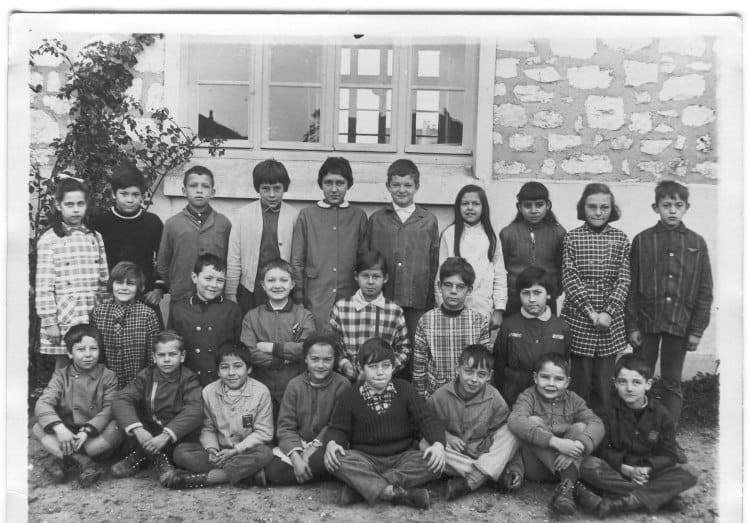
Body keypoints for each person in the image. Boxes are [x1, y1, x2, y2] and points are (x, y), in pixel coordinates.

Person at [626, 181, 713, 452]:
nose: (672, 211)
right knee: (640, 378)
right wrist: (632, 325)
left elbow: (705, 289)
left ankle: (667, 438)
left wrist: (697, 330)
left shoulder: (696, 243)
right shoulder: (643, 240)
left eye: (678, 205)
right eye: (666, 205)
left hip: (680, 323)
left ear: (687, 208)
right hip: (647, 322)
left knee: (672, 382)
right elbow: (631, 286)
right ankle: (638, 433)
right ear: (656, 208)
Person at [324, 338, 446, 509]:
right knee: (336, 459)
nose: (380, 372)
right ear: (361, 368)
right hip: (365, 458)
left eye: (385, 366)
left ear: (393, 367)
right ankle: (393, 493)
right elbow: (338, 428)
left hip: (403, 456)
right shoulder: (349, 396)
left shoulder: (405, 389)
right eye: (373, 367)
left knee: (435, 462)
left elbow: (426, 419)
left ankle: (361, 489)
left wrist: (438, 444)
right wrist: (332, 443)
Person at [578, 355, 698, 517]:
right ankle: (660, 496)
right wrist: (627, 470)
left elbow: (670, 454)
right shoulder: (605, 411)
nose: (629, 388)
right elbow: (600, 450)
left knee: (689, 471)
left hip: (647, 474)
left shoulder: (662, 415)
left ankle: (623, 502)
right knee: (587, 464)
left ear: (648, 384)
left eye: (636, 382)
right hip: (617, 471)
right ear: (615, 383)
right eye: (623, 382)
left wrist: (647, 469)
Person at [365, 159, 440, 378]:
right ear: (388, 186)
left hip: (418, 300)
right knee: (384, 349)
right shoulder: (377, 220)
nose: (402, 190)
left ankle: (411, 394)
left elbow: (434, 261)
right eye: (396, 185)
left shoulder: (428, 220)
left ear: (417, 187)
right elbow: (368, 258)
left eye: (408, 185)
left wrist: (431, 300)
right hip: (384, 300)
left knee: (415, 351)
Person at [560, 183, 630, 414]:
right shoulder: (572, 238)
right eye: (592, 207)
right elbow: (570, 278)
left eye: (604, 207)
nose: (598, 213)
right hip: (580, 319)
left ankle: (602, 428)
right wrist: (591, 312)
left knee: (603, 384)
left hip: (610, 322)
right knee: (580, 383)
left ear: (612, 209)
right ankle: (578, 426)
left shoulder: (620, 239)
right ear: (583, 208)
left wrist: (608, 312)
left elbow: (624, 280)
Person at [508, 352, 604, 515]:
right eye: (545, 377)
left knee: (580, 428)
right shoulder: (528, 396)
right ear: (535, 377)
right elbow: (515, 420)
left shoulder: (574, 400)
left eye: (559, 379)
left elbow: (597, 423)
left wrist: (578, 446)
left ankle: (565, 489)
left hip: (567, 462)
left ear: (567, 382)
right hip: (536, 468)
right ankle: (573, 485)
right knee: (532, 422)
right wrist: (556, 442)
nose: (551, 384)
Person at [167, 343, 275, 489]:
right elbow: (208, 428)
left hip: (246, 450)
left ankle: (212, 478)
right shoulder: (209, 391)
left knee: (265, 453)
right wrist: (212, 450)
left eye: (238, 366)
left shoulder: (261, 392)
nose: (231, 373)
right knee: (181, 452)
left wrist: (235, 451)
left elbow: (264, 432)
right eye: (224, 367)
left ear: (249, 369)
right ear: (218, 371)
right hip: (221, 451)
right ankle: (246, 473)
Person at [426, 344, 520, 501]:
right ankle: (488, 474)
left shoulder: (494, 397)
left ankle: (473, 480)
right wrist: (446, 436)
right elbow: (427, 424)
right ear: (458, 369)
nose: (474, 379)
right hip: (455, 456)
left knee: (512, 429)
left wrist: (515, 467)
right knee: (425, 444)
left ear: (489, 376)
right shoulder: (440, 396)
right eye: (468, 372)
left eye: (481, 374)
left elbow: (504, 439)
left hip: (483, 452)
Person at [33, 324, 123, 487]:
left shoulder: (108, 376)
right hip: (66, 433)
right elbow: (43, 403)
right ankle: (84, 462)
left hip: (93, 435)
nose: (88, 355)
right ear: (69, 353)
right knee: (37, 427)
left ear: (99, 350)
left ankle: (64, 459)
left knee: (117, 427)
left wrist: (87, 431)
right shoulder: (61, 376)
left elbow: (109, 409)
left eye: (93, 349)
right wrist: (60, 429)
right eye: (81, 349)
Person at [110, 330, 203, 485]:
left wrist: (166, 436)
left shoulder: (188, 379)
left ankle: (153, 456)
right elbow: (121, 398)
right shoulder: (146, 375)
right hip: (150, 430)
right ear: (154, 357)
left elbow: (196, 408)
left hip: (177, 433)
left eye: (172, 354)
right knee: (125, 420)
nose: (167, 359)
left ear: (182, 356)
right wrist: (138, 429)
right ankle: (153, 454)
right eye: (161, 355)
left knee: (183, 448)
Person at [35, 177, 109, 368]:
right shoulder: (49, 240)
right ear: (59, 205)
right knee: (64, 363)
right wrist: (50, 321)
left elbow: (104, 279)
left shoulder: (95, 237)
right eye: (69, 204)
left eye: (80, 204)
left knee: (91, 360)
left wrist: (106, 309)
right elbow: (44, 286)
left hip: (92, 311)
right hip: (65, 314)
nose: (76, 210)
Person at [290, 156, 368, 330]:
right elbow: (297, 260)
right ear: (321, 184)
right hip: (315, 295)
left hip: (350, 295)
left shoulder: (358, 216)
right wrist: (299, 297)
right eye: (328, 183)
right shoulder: (307, 215)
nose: (334, 189)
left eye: (340, 183)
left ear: (349, 185)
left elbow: (365, 260)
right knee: (317, 338)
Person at [264, 334, 350, 485]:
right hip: (300, 443)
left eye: (327, 360)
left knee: (326, 460)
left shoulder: (342, 384)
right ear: (305, 359)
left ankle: (311, 471)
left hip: (326, 444)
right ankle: (312, 472)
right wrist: (296, 457)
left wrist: (310, 452)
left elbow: (335, 424)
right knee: (273, 471)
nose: (320, 365)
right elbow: (285, 426)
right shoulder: (294, 385)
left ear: (334, 360)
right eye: (315, 359)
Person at [240, 259, 316, 420]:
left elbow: (306, 349)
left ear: (292, 284)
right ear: (263, 285)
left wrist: (270, 347)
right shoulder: (252, 316)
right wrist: (279, 361)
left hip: (295, 388)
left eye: (283, 280)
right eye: (271, 280)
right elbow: (248, 351)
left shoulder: (304, 315)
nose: (277, 285)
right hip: (260, 388)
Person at [91, 162, 166, 325]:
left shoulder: (152, 222)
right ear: (114, 194)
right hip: (110, 297)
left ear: (143, 195)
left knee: (151, 337)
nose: (130, 200)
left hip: (145, 296)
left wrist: (158, 289)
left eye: (135, 194)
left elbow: (164, 257)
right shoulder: (101, 223)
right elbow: (93, 261)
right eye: (124, 194)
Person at [226, 159, 299, 315]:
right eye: (265, 189)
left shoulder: (295, 216)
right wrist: (231, 292)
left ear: (285, 188)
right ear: (257, 188)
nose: (272, 194)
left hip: (283, 289)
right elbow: (234, 257)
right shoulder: (243, 215)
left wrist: (298, 291)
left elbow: (298, 258)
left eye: (277, 188)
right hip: (251, 289)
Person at [413, 257, 490, 399]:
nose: (453, 291)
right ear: (439, 286)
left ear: (469, 290)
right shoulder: (426, 321)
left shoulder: (479, 322)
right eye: (448, 285)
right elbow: (419, 366)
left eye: (460, 287)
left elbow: (484, 365)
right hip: (435, 396)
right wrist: (420, 399)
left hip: (469, 397)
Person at [493, 266, 570, 406]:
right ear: (519, 295)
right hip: (513, 399)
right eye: (526, 293)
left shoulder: (561, 328)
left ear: (548, 294)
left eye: (537, 292)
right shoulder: (508, 326)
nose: (532, 299)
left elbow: (565, 364)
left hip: (549, 400)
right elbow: (498, 366)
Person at [330, 250, 410, 382]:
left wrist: (384, 370)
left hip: (383, 381)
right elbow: (334, 345)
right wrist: (344, 365)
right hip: (350, 380)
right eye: (365, 276)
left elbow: (404, 349)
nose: (370, 282)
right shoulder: (341, 308)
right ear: (356, 276)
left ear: (385, 278)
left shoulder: (394, 311)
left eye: (376, 277)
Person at [156, 165, 232, 303]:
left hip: (215, 298)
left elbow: (230, 262)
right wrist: (176, 285)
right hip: (181, 297)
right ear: (184, 191)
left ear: (213, 192)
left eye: (205, 186)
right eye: (193, 185)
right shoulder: (172, 224)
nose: (199, 190)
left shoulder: (223, 223)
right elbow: (163, 263)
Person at [436, 184, 507, 329]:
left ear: (483, 207)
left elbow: (499, 274)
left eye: (475, 203)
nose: (470, 208)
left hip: (482, 307)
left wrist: (499, 309)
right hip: (453, 308)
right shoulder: (449, 234)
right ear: (458, 207)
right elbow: (440, 274)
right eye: (465, 204)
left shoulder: (492, 237)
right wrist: (442, 306)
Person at [167, 253, 243, 387]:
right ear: (194, 277)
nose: (214, 285)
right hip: (188, 382)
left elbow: (238, 350)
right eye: (208, 278)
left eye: (220, 280)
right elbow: (172, 347)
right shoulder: (179, 309)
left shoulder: (232, 310)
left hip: (222, 382)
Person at [499, 181, 565, 317]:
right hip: (514, 300)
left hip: (546, 300)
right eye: (528, 205)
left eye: (539, 205)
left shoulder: (558, 233)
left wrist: (552, 292)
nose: (533, 210)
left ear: (548, 205)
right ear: (519, 207)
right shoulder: (508, 233)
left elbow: (562, 268)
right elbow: (500, 270)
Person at [91, 262, 161, 388]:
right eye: (119, 283)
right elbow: (96, 353)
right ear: (111, 285)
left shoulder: (147, 314)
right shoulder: (99, 313)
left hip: (138, 385)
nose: (124, 288)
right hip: (106, 385)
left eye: (130, 284)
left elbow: (152, 356)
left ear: (140, 287)